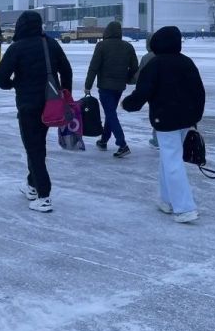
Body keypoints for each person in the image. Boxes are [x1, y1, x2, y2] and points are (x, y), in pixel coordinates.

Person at [122, 26, 205, 224]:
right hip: (185, 119)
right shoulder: (187, 63)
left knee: (172, 160)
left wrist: (128, 104)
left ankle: (185, 208)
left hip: (165, 119)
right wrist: (195, 116)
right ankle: (167, 200)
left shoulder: (155, 64)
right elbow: (199, 92)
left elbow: (143, 91)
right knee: (168, 158)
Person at [0, 11, 72, 213]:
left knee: (33, 148)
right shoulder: (50, 44)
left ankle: (43, 195)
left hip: (28, 106)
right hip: (50, 104)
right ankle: (32, 185)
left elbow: (0, 77)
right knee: (38, 146)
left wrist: (12, 84)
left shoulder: (17, 47)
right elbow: (66, 70)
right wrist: (65, 93)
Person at [84, 21, 139, 158]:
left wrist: (87, 85)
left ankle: (122, 144)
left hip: (105, 86)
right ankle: (103, 140)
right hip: (119, 86)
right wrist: (127, 78)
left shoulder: (101, 46)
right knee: (111, 113)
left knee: (111, 114)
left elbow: (94, 67)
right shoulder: (128, 46)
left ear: (107, 32)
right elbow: (134, 68)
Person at [133, 34, 159, 148]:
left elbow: (139, 76)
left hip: (152, 91)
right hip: (170, 90)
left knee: (156, 114)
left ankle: (157, 138)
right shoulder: (170, 55)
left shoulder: (147, 57)